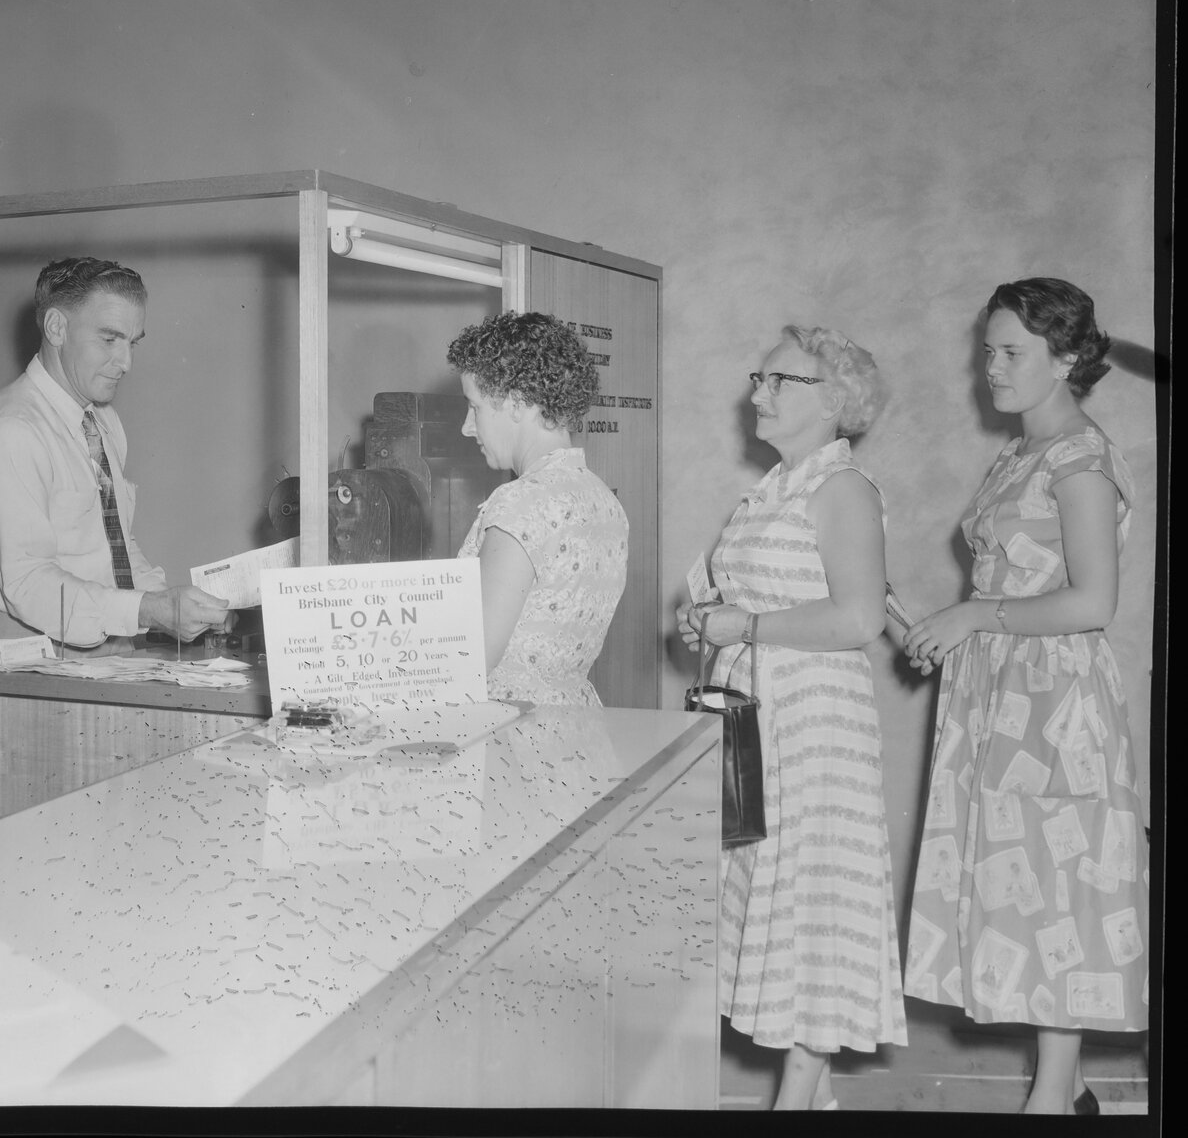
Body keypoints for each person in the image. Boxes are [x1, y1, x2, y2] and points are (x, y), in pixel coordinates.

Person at [901, 279, 1147, 1115]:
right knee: (1022, 889)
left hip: (1056, 697)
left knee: (1059, 889)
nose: (991, 369)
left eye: (1011, 353)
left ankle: (1050, 1097)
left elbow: (1093, 603)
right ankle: (1067, 1086)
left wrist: (973, 613)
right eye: (988, 351)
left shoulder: (1080, 458)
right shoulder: (1020, 452)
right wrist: (952, 630)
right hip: (1000, 690)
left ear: (1067, 359)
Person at [674, 324, 906, 1110]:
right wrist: (707, 620)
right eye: (758, 378)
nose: (757, 394)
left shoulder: (842, 489)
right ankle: (821, 1097)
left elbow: (858, 621)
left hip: (814, 730)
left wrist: (743, 628)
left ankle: (795, 1100)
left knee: (810, 906)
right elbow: (750, 601)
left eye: (779, 382)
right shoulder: (774, 488)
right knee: (771, 897)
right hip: (755, 719)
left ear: (833, 402)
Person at [0, 257, 232, 668]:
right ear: (57, 328)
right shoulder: (9, 429)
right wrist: (149, 610)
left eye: (132, 342)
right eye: (109, 339)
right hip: (22, 653)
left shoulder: (103, 423)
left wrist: (176, 604)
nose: (126, 362)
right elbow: (28, 583)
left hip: (107, 647)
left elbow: (113, 546)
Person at [446, 311, 628, 706]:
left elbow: (472, 660)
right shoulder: (603, 500)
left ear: (514, 403)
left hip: (512, 736)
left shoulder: (519, 503)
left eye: (474, 407)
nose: (467, 426)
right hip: (574, 719)